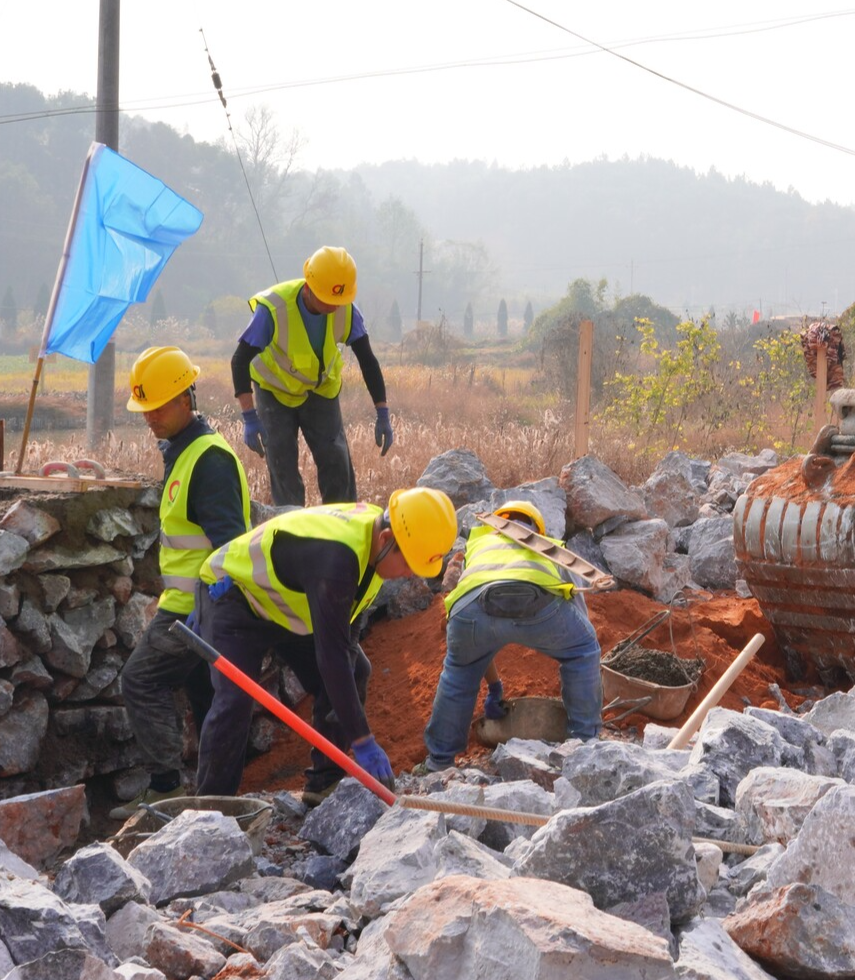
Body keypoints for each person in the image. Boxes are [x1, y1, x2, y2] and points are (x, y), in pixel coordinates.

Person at [194, 487, 457, 799]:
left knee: (356, 669)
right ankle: (209, 811)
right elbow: (330, 658)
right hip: (234, 595)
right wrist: (362, 741)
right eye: (409, 564)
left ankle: (323, 783)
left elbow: (345, 641)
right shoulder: (336, 558)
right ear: (386, 540)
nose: (409, 574)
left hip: (288, 607)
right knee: (235, 698)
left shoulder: (373, 547)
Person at [113, 346, 250, 819]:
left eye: (158, 406)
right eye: (144, 408)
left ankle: (167, 788)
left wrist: (211, 607)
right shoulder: (184, 452)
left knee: (140, 680)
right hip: (188, 604)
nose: (149, 416)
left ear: (185, 399)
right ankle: (216, 798)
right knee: (206, 695)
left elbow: (229, 542)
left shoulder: (207, 460)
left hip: (197, 608)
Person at [418, 500, 603, 774]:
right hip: (538, 603)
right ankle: (585, 744)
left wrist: (495, 689)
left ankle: (438, 763)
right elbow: (578, 618)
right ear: (537, 528)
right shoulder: (548, 546)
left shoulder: (479, 543)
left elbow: (481, 645)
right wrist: (578, 649)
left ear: (497, 522)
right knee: (583, 650)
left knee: (460, 671)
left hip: (471, 611)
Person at [234, 246, 392, 507]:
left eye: (338, 300)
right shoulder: (273, 309)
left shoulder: (347, 309)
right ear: (309, 286)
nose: (334, 306)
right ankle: (291, 532)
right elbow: (239, 361)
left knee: (336, 462)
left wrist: (383, 413)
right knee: (282, 466)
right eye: (327, 298)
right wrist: (249, 417)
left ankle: (343, 528)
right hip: (275, 393)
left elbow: (367, 360)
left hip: (321, 392)